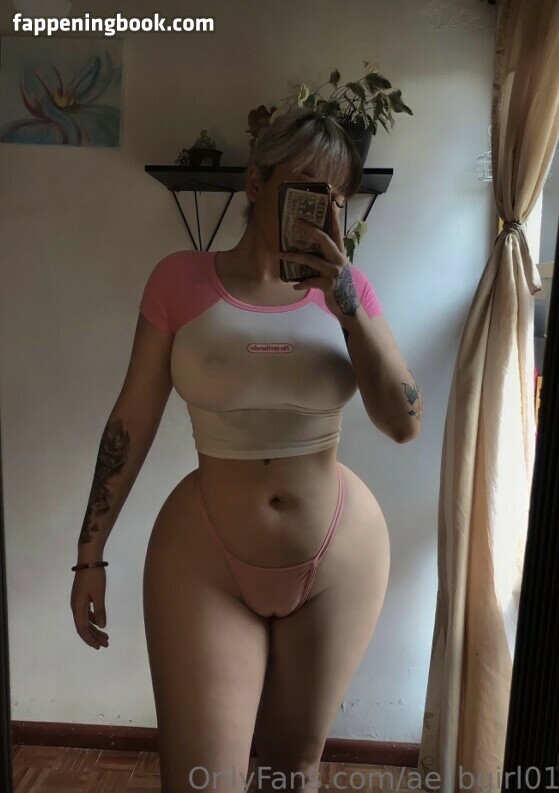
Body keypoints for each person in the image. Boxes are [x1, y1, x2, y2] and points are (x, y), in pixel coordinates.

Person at [70, 107, 423, 793]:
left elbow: (403, 421)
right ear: (257, 183)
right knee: (201, 779)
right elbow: (130, 422)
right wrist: (90, 555)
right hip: (203, 557)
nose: (323, 209)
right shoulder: (179, 279)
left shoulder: (350, 292)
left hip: (337, 557)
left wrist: (346, 302)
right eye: (307, 187)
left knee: (293, 773)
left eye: (336, 196)